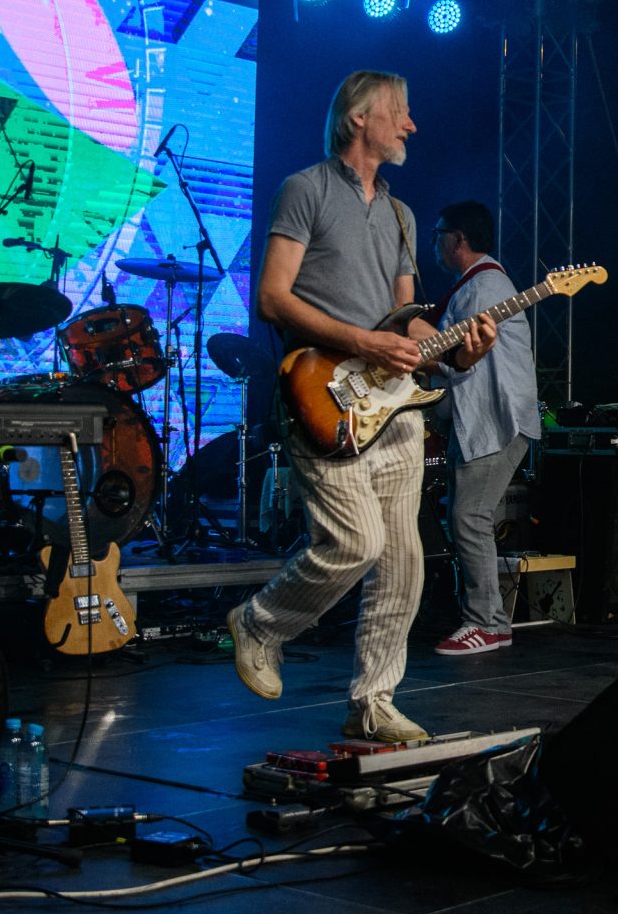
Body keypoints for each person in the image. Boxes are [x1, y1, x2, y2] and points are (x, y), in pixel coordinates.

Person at [220, 70, 496, 742]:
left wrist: (459, 351)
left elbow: (404, 320)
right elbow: (272, 297)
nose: (411, 124)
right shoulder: (305, 189)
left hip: (393, 410)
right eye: (400, 112)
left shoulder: (402, 214)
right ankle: (259, 623)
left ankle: (373, 702)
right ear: (358, 119)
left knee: (404, 560)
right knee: (355, 541)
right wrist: (364, 341)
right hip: (323, 394)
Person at [429, 199, 539, 656]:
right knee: (468, 518)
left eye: (438, 234)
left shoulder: (484, 286)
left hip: (495, 422)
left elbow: (459, 361)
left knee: (469, 518)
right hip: (485, 422)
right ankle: (489, 620)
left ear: (457, 239)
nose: (433, 244)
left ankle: (486, 624)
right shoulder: (477, 286)